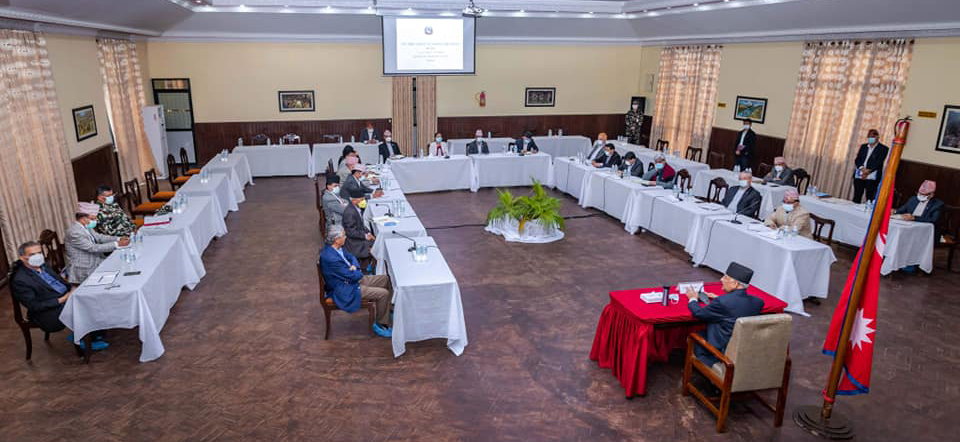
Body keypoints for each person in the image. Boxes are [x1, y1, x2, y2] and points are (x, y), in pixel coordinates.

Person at [10, 241, 109, 350]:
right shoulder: (20, 280)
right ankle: (88, 340)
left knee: (94, 295)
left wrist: (72, 287)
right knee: (85, 307)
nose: (38, 256)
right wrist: (64, 298)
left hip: (65, 295)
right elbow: (34, 306)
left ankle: (94, 333)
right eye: (33, 255)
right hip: (48, 311)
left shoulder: (43, 265)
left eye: (39, 253)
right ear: (22, 258)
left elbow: (58, 281)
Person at [684, 262, 763, 367]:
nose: (721, 279)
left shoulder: (723, 302)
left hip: (721, 352)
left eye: (725, 277)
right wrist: (718, 298)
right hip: (743, 348)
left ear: (735, 284)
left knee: (695, 336)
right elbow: (736, 306)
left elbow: (699, 313)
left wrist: (692, 298)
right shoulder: (758, 302)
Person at [320, 225, 393, 338]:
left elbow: (352, 257)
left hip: (351, 280)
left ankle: (387, 310)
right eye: (344, 235)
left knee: (385, 279)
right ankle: (381, 325)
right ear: (337, 239)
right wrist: (356, 270)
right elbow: (353, 276)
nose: (346, 237)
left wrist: (354, 267)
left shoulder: (336, 248)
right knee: (383, 293)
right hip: (346, 288)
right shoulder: (331, 258)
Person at [65, 203, 129, 284]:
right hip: (84, 268)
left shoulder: (85, 226)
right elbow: (93, 248)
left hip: (96, 260)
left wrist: (118, 238)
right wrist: (117, 244)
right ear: (83, 218)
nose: (96, 220)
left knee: (122, 266)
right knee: (118, 273)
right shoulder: (74, 232)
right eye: (93, 218)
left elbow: (99, 237)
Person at [852, 128, 889, 204]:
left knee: (870, 198)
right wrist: (862, 169)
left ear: (877, 137)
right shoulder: (863, 146)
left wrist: (867, 172)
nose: (870, 138)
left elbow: (878, 162)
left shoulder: (883, 149)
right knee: (857, 196)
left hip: (872, 176)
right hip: (860, 174)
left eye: (872, 136)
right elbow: (857, 159)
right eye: (869, 136)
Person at [341, 186, 375, 260]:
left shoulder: (356, 208)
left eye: (364, 199)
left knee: (376, 239)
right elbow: (350, 232)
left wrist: (368, 233)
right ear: (354, 200)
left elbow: (361, 225)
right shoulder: (350, 213)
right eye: (362, 199)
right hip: (354, 243)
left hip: (358, 236)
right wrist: (365, 236)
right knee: (377, 246)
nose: (364, 201)